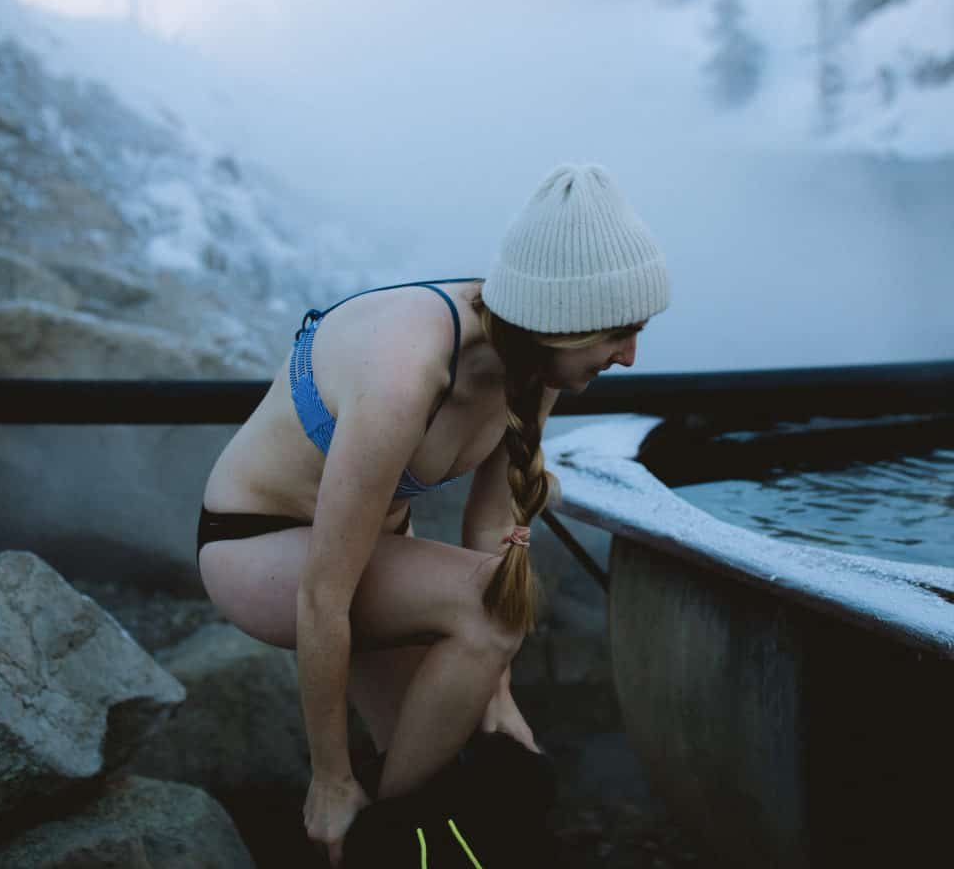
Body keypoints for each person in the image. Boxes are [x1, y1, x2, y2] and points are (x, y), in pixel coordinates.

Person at [195, 163, 670, 865]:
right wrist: (329, 778)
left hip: (370, 560)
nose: (631, 356)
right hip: (260, 550)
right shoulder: (406, 373)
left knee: (479, 762)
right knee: (415, 790)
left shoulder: (532, 363)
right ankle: (378, 840)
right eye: (618, 334)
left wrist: (498, 694)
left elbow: (487, 536)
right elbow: (326, 596)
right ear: (563, 324)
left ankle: (396, 838)